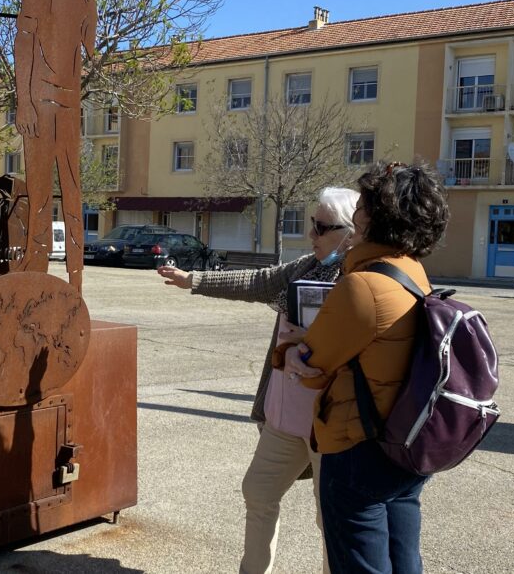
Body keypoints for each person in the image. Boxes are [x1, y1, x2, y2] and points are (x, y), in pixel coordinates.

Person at [158, 187, 360, 574]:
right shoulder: (304, 268)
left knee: (329, 517)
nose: (312, 235)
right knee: (259, 492)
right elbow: (256, 281)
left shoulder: (361, 279)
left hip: (332, 424)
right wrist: (192, 280)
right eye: (312, 225)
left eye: (321, 227)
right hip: (285, 418)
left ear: (351, 232)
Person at [283, 161, 450, 573]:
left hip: (358, 447)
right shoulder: (414, 273)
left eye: (364, 204)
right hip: (403, 442)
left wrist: (287, 351)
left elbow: (312, 366)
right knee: (404, 561)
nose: (356, 212)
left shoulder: (363, 284)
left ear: (375, 216)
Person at [14, 0, 97, 292]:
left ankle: (76, 277)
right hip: (40, 100)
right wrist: (24, 102)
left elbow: (89, 45)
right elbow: (23, 39)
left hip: (68, 102)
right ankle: (36, 267)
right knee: (41, 195)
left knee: (72, 191)